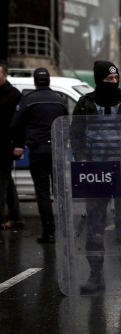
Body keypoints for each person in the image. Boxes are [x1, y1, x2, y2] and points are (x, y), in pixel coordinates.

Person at [71, 61, 121, 294]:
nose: (113, 84)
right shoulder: (85, 103)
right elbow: (75, 135)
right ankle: (96, 277)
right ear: (98, 80)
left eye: (115, 80)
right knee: (95, 224)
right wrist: (82, 158)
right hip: (95, 172)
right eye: (108, 80)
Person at [10, 68, 68, 243]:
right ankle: (64, 230)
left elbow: (14, 124)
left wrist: (23, 139)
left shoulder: (28, 100)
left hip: (38, 151)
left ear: (35, 82)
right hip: (57, 151)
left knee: (42, 193)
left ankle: (49, 231)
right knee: (60, 192)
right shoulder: (60, 100)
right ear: (49, 81)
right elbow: (66, 125)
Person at [0, 64, 23, 230]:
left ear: (5, 75)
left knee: (1, 182)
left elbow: (20, 123)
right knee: (7, 182)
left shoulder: (14, 94)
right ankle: (15, 217)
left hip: (6, 146)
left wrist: (19, 144)